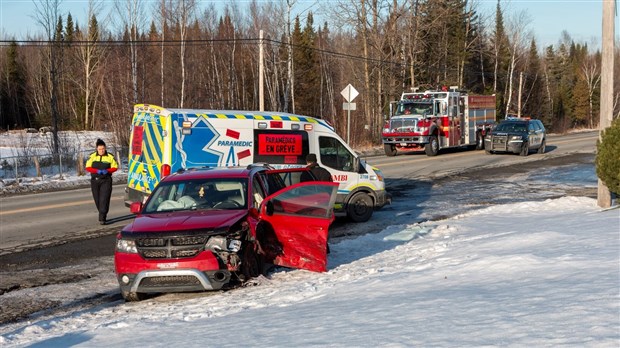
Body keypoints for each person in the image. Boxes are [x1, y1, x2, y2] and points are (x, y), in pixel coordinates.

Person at [85, 139, 118, 224]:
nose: (101, 151)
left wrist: (108, 170)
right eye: (99, 149)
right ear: (97, 149)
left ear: (105, 148)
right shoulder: (92, 156)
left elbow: (115, 167)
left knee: (104, 199)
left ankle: (102, 218)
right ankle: (102, 212)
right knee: (97, 200)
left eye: (103, 149)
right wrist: (96, 171)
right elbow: (88, 167)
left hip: (106, 180)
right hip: (95, 181)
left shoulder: (110, 156)